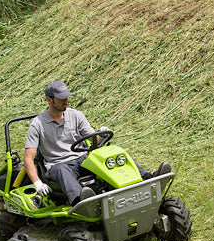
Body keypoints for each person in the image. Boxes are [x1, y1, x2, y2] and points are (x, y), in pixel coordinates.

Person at [23, 81, 169, 206]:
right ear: (49, 100)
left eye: (66, 97)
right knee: (62, 169)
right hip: (58, 164)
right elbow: (28, 158)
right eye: (61, 98)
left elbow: (93, 139)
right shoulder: (38, 124)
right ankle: (82, 200)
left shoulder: (75, 115)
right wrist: (38, 183)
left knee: (112, 151)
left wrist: (101, 134)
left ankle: (146, 178)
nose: (65, 100)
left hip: (81, 158)